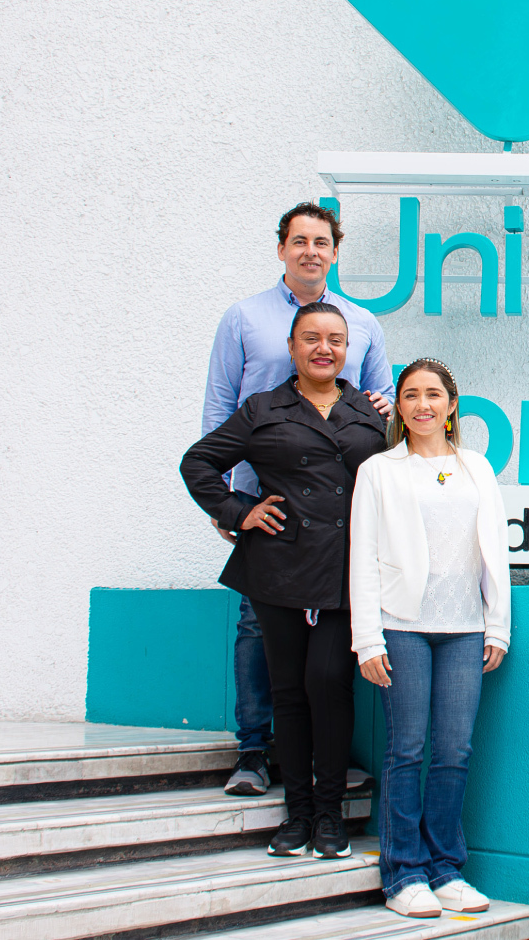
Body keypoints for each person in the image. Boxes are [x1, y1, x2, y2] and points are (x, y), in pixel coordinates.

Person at [182, 302, 389, 858]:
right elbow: (199, 462)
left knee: (329, 684)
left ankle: (330, 817)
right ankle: (297, 816)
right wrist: (238, 511)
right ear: (293, 348)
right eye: (312, 339)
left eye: (336, 340)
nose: (325, 348)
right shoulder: (262, 408)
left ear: (349, 350)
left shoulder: (372, 414)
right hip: (278, 567)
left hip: (348, 571)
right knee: (289, 693)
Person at [204, 202, 395, 797]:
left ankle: (318, 764)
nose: (310, 251)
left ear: (335, 252)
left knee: (332, 649)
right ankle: (255, 752)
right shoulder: (243, 318)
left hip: (339, 514)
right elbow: (218, 415)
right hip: (269, 497)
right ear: (282, 248)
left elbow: (381, 399)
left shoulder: (361, 323)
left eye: (322, 241)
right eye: (299, 241)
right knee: (259, 629)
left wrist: (383, 408)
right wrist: (230, 505)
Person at [349, 358, 511, 918]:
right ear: (399, 406)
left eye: (433, 394)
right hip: (403, 628)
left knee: (454, 751)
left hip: (466, 630)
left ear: (451, 405)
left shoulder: (476, 468)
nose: (423, 404)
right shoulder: (380, 471)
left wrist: (499, 625)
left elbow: (495, 550)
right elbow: (363, 556)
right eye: (411, 394)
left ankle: (445, 870)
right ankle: (402, 875)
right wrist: (367, 640)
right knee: (406, 750)